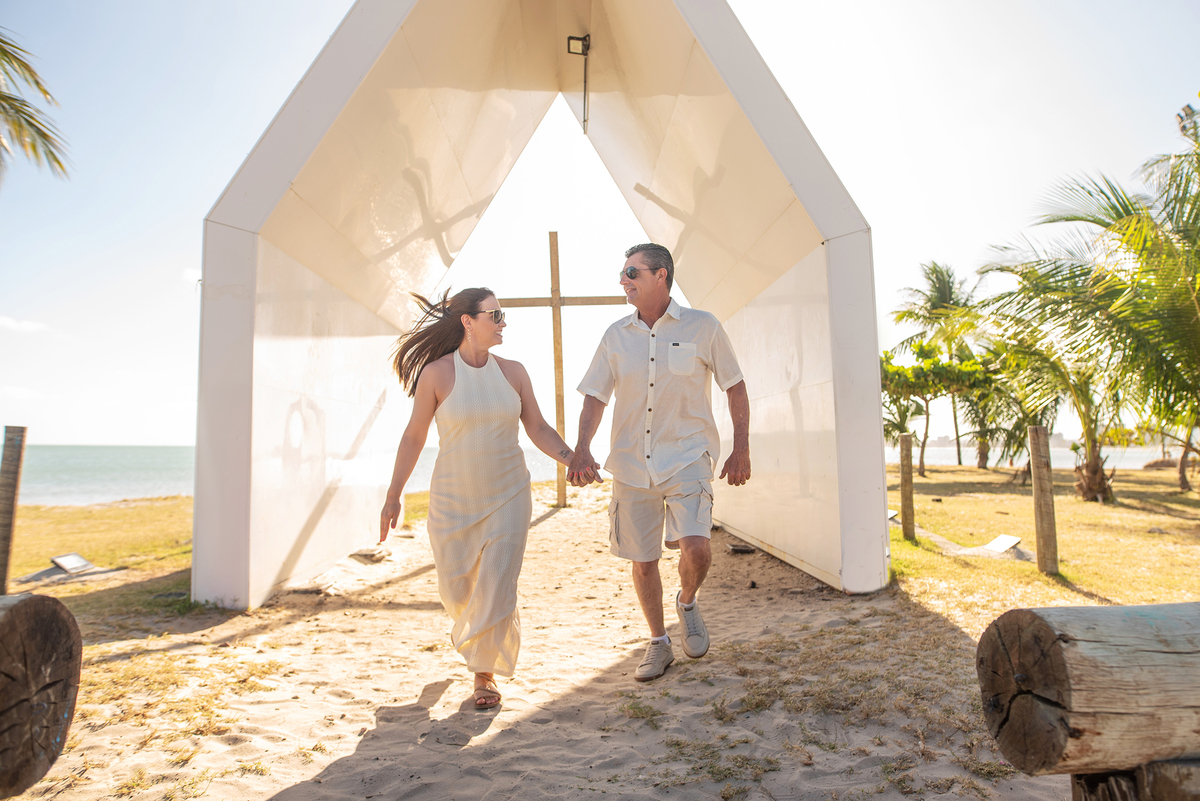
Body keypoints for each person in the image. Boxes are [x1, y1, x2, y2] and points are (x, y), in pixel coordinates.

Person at [379, 287, 576, 709]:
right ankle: (478, 647)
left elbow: (538, 428)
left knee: (498, 582)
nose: (503, 322)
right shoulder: (437, 374)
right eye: (496, 315)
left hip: (509, 494)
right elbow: (414, 436)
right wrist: (394, 494)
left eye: (502, 314)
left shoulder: (514, 372)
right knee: (458, 589)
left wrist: (571, 458)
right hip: (453, 500)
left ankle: (483, 676)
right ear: (468, 321)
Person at [567, 243, 751, 682]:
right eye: (623, 274)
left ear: (661, 275)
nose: (624, 281)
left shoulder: (702, 327)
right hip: (631, 463)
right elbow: (595, 395)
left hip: (687, 456)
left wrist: (740, 446)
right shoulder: (615, 336)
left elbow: (735, 386)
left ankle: (687, 602)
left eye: (632, 272)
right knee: (643, 560)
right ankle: (658, 643)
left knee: (698, 548)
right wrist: (582, 446)